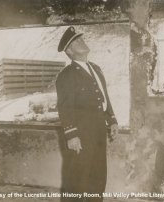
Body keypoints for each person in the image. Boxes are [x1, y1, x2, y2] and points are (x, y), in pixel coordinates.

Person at [56, 26, 118, 202]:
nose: (81, 41)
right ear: (69, 51)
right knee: (77, 178)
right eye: (76, 41)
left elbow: (104, 97)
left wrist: (112, 120)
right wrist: (71, 134)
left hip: (98, 129)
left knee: (98, 174)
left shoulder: (96, 68)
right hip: (81, 132)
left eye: (81, 38)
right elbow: (64, 107)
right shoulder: (66, 75)